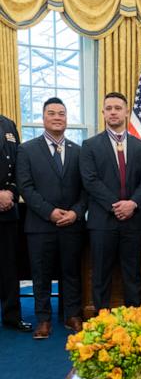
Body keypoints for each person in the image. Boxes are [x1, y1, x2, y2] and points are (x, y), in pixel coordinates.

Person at [16, 98, 87, 339]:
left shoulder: (79, 151)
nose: (57, 117)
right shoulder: (26, 150)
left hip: (72, 223)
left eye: (61, 114)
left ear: (66, 119)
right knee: (41, 274)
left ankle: (72, 315)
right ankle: (43, 320)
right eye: (52, 113)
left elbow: (86, 189)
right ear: (43, 118)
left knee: (71, 272)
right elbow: (25, 187)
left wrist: (76, 212)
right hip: (40, 224)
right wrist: (50, 212)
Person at [80, 92, 141, 313]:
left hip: (134, 220)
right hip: (103, 221)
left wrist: (132, 204)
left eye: (118, 108)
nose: (113, 112)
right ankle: (102, 320)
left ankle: (135, 320)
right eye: (109, 108)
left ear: (126, 112)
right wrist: (116, 205)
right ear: (103, 113)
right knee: (101, 273)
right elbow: (90, 180)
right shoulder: (90, 145)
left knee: (132, 274)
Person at [0, 115, 32, 332]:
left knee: (9, 267)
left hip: (7, 209)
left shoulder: (8, 124)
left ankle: (12, 316)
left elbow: (18, 166)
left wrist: (10, 192)